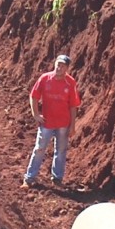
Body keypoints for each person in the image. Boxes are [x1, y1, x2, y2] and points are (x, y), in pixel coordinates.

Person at [23, 53, 82, 187]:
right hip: (47, 123)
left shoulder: (70, 82)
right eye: (58, 64)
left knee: (61, 151)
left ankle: (57, 178)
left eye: (62, 66)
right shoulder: (45, 79)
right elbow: (34, 96)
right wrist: (35, 114)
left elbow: (73, 106)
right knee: (39, 149)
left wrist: (72, 126)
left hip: (63, 124)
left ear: (67, 68)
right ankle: (29, 178)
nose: (59, 67)